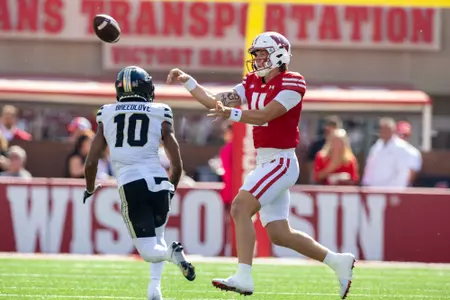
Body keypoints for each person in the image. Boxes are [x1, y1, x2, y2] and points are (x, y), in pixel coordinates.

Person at [167, 31, 355, 299]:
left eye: (262, 54)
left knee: (240, 207)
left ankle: (244, 275)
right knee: (280, 233)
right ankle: (338, 261)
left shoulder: (293, 82)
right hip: (266, 161)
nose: (257, 59)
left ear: (280, 54)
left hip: (281, 160)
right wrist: (189, 82)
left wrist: (230, 113)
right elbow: (218, 100)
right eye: (255, 55)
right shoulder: (252, 82)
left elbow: (265, 115)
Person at [82, 66, 196, 300]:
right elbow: (176, 162)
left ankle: (173, 256)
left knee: (148, 250)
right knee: (159, 237)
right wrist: (171, 187)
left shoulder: (106, 113)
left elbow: (91, 161)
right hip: (158, 180)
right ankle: (155, 290)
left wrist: (90, 187)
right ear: (146, 88)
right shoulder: (160, 110)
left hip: (131, 183)